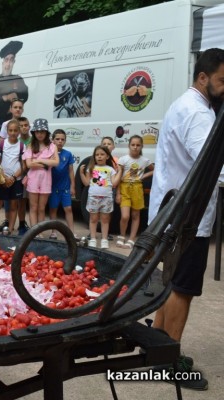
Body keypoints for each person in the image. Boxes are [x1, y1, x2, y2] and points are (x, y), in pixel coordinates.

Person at [148, 48, 224, 390]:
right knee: (183, 288)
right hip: (188, 218)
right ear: (203, 77)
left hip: (173, 213)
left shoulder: (186, 104)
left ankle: (157, 347)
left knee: (170, 284)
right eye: (223, 81)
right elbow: (215, 167)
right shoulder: (199, 114)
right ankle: (169, 360)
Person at [115, 134, 154, 249]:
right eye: (133, 145)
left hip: (137, 188)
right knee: (125, 216)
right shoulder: (123, 159)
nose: (135, 147)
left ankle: (132, 238)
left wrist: (143, 176)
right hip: (124, 188)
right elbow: (119, 176)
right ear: (129, 146)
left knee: (136, 215)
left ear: (141, 146)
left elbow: (154, 170)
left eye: (138, 145)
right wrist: (118, 193)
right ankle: (122, 236)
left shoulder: (145, 160)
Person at [79, 145, 121, 248]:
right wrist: (81, 173)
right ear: (94, 157)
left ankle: (104, 239)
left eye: (102, 154)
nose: (99, 157)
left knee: (105, 220)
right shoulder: (91, 168)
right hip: (93, 198)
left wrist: (120, 172)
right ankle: (93, 238)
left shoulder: (110, 169)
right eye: (97, 155)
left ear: (107, 156)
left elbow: (114, 183)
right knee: (93, 219)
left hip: (106, 199)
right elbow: (86, 183)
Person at [0, 41, 28, 141]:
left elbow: (25, 95)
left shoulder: (18, 79)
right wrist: (5, 98)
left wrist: (16, 96)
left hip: (15, 125)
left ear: (14, 62)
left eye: (11, 60)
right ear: (3, 63)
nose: (8, 63)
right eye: (6, 60)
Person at [24, 118, 58, 229]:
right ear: (34, 133)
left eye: (42, 131)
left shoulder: (52, 146)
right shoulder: (30, 146)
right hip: (33, 179)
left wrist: (39, 161)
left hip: (46, 180)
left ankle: (40, 231)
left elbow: (56, 162)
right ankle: (33, 230)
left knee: (42, 208)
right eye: (37, 131)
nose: (40, 134)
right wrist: (47, 163)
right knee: (33, 207)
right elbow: (29, 164)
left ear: (46, 133)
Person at [0, 119, 25, 234]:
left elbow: (23, 165)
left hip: (15, 180)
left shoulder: (22, 146)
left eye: (15, 130)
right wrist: (4, 178)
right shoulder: (1, 144)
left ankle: (10, 230)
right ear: (7, 131)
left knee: (13, 205)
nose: (13, 133)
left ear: (19, 132)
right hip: (2, 180)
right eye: (10, 130)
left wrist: (13, 178)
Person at [48, 129, 76, 239]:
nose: (60, 141)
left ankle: (71, 232)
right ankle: (53, 232)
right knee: (53, 209)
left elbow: (71, 171)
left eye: (62, 139)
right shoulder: (49, 153)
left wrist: (72, 185)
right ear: (53, 140)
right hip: (53, 187)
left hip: (65, 187)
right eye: (57, 139)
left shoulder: (68, 154)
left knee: (68, 209)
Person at [16, 116, 32, 234]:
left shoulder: (34, 140)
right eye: (20, 126)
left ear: (29, 127)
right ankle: (21, 224)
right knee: (20, 201)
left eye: (25, 125)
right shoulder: (16, 141)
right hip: (19, 174)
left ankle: (34, 226)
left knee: (31, 202)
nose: (23, 128)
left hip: (32, 175)